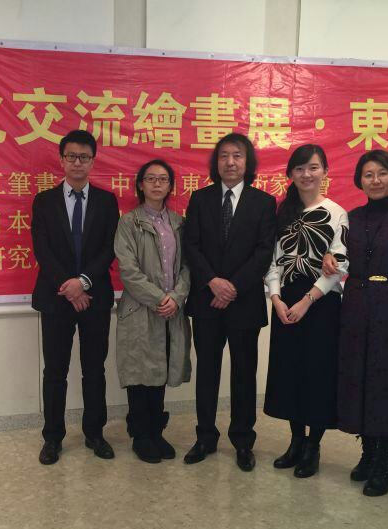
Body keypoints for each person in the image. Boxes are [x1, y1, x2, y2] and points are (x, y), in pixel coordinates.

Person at [323, 150, 388, 496]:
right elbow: (338, 254)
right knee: (360, 378)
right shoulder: (351, 218)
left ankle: (386, 463)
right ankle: (368, 453)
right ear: (359, 181)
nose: (376, 180)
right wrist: (329, 256)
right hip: (355, 306)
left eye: (382, 173)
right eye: (368, 175)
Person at [183, 133, 277, 470]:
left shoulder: (264, 202)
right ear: (216, 162)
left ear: (247, 162)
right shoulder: (200, 198)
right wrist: (213, 282)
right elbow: (191, 246)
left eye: (237, 155)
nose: (230, 162)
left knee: (244, 375)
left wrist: (233, 286)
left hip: (244, 303)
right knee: (207, 372)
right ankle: (205, 437)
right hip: (206, 301)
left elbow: (263, 252)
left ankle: (243, 440)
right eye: (224, 155)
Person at [31, 129, 120, 465]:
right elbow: (43, 250)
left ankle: (95, 433)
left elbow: (109, 248)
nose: (78, 163)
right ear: (62, 160)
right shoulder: (44, 201)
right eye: (72, 156)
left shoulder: (107, 202)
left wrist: (82, 282)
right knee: (55, 371)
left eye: (84, 157)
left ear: (93, 162)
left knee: (94, 369)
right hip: (56, 299)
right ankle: (52, 437)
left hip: (95, 297)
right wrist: (68, 286)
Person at [263, 144, 348, 478]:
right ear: (290, 174)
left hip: (321, 305)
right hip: (285, 304)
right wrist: (276, 298)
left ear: (325, 171)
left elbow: (340, 264)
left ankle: (313, 446)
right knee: (290, 374)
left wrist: (307, 300)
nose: (306, 174)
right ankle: (296, 441)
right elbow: (273, 261)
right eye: (299, 169)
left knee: (318, 376)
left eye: (313, 167)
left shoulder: (336, 213)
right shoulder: (283, 212)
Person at [114, 159, 192, 463]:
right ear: (140, 184)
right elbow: (128, 270)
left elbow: (188, 266)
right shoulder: (128, 223)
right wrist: (160, 298)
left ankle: (157, 433)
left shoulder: (179, 223)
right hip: (140, 308)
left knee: (161, 370)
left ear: (170, 185)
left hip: (172, 309)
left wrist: (177, 297)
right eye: (150, 178)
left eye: (163, 179)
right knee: (139, 372)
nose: (157, 184)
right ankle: (141, 436)